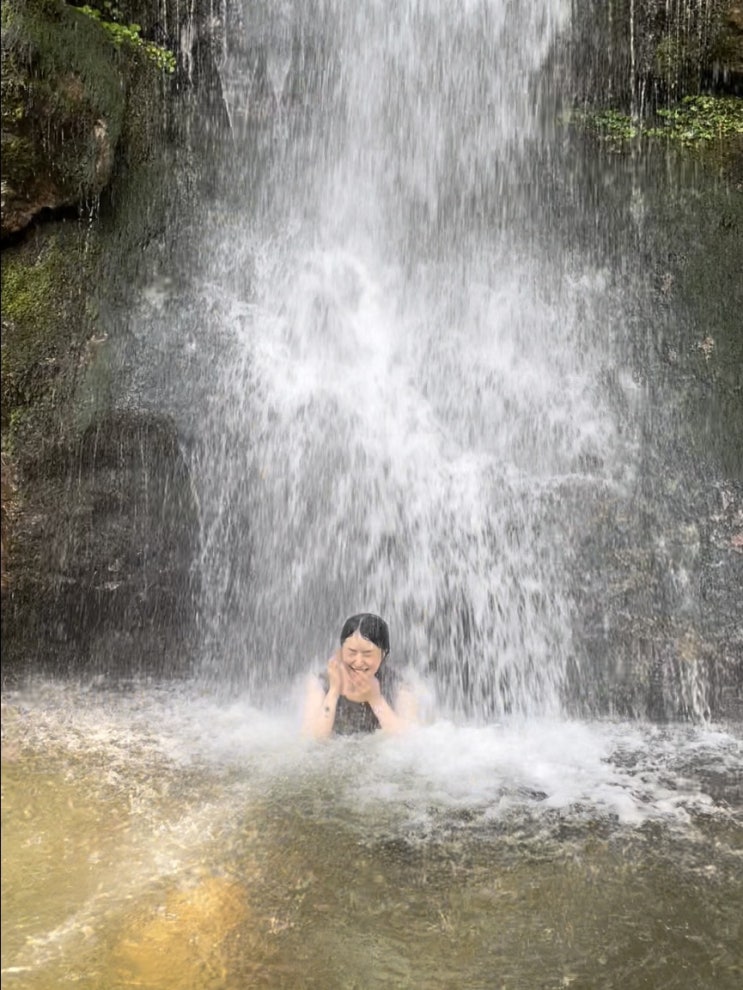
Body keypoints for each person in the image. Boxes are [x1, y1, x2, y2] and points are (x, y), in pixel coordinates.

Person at [302, 612, 418, 738]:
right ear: (341, 650)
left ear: (384, 654)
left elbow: (409, 739)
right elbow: (312, 738)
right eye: (351, 652)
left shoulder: (398, 685)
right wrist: (333, 691)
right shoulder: (321, 682)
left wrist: (376, 700)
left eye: (367, 654)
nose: (358, 662)